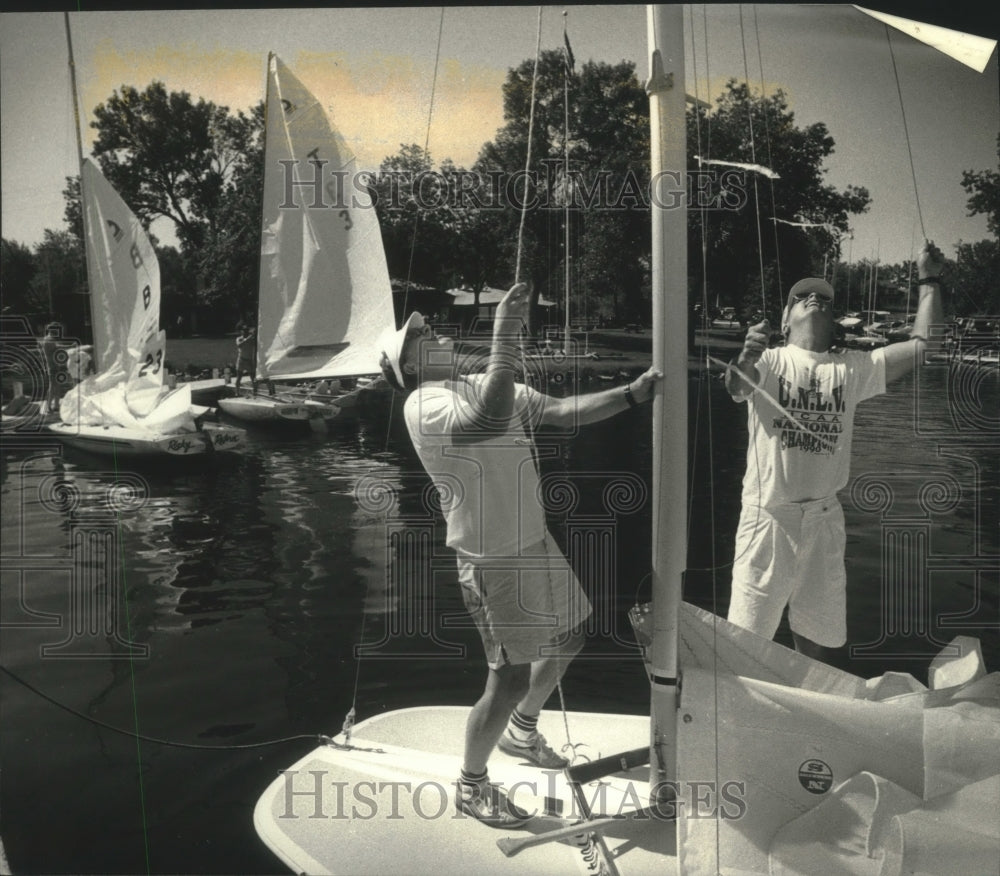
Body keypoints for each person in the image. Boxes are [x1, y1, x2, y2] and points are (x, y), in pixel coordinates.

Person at [378, 282, 661, 829]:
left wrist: (632, 394)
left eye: (427, 328)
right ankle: (471, 785)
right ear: (408, 366)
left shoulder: (477, 382)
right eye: (419, 337)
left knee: (573, 632)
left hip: (533, 540)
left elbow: (556, 410)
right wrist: (505, 333)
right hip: (491, 558)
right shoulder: (423, 403)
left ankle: (521, 732)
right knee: (506, 677)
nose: (431, 331)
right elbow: (485, 420)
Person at [724, 240, 946, 662]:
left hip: (824, 519)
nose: (814, 298)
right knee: (746, 641)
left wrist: (929, 279)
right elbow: (737, 386)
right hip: (769, 516)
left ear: (834, 318)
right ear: (786, 320)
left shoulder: (853, 367)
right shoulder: (770, 360)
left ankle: (808, 709)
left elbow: (923, 347)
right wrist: (747, 354)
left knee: (817, 639)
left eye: (824, 297)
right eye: (802, 296)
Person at [39, 322, 66, 414]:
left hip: (55, 366)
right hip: (52, 366)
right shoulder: (48, 339)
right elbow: (58, 348)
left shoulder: (51, 339)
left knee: (57, 386)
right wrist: (70, 346)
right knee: (53, 386)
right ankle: (48, 406)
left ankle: (56, 406)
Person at [234, 322, 256, 393]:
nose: (245, 332)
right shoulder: (239, 339)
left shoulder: (252, 339)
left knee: (253, 378)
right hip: (241, 360)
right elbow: (239, 345)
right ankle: (237, 392)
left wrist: (253, 335)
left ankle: (255, 392)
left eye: (246, 330)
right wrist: (247, 339)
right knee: (239, 377)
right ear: (241, 331)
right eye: (244, 330)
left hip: (249, 360)